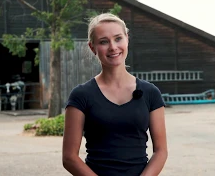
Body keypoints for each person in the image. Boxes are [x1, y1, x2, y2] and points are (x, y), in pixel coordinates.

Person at [62, 13, 168, 176]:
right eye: (104, 41)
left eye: (118, 38)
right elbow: (69, 158)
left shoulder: (150, 93)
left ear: (127, 39)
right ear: (92, 47)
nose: (113, 47)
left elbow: (161, 151)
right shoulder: (81, 95)